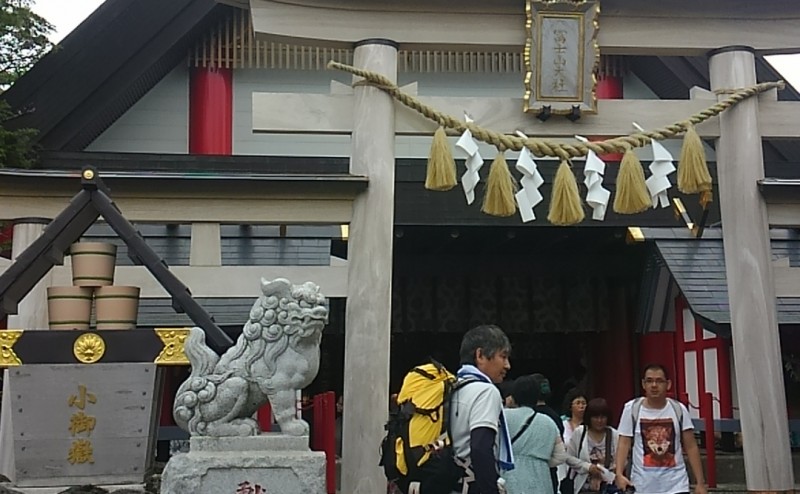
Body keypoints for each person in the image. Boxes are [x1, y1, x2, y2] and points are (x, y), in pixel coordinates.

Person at [614, 364, 707, 494]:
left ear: (668, 384)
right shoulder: (632, 409)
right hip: (642, 485)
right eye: (649, 381)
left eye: (659, 381)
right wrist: (619, 473)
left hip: (676, 485)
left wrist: (700, 482)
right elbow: (624, 443)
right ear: (643, 384)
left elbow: (691, 446)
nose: (654, 385)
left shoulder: (678, 409)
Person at [503, 375, 599, 494]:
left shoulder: (504, 417)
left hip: (510, 477)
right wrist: (541, 461)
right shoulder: (549, 422)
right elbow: (560, 456)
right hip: (542, 479)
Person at [450, 324, 514, 494]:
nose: (507, 365)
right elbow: (480, 447)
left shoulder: (453, 388)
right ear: (480, 355)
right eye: (503, 356)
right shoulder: (485, 391)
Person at [567, 398, 619, 494]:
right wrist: (588, 467)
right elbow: (569, 458)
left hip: (609, 488)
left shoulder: (614, 435)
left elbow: (622, 460)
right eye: (595, 417)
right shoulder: (580, 433)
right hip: (583, 488)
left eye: (603, 417)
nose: (599, 421)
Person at [530, 373, 565, 493]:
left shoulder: (526, 415)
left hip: (528, 471)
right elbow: (560, 452)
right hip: (549, 471)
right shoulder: (555, 417)